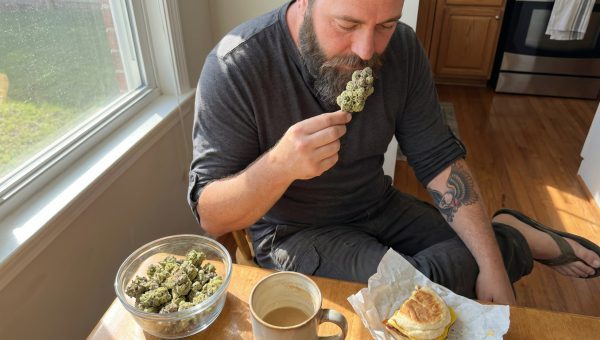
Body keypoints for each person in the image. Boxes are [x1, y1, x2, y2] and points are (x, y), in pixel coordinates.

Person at [187, 0, 600, 304]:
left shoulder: (401, 48)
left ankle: (501, 238)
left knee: (480, 264)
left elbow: (439, 160)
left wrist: (493, 267)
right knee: (407, 296)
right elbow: (212, 216)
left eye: (385, 24)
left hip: (378, 204)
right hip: (298, 232)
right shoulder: (235, 65)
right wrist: (279, 166)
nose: (368, 50)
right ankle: (518, 238)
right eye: (346, 24)